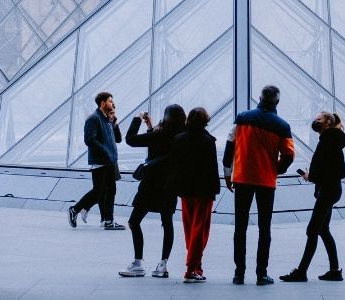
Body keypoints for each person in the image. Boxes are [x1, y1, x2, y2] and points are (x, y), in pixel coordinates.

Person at [223, 84, 296, 285]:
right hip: (266, 180)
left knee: (240, 227)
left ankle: (239, 273)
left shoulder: (242, 118)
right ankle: (261, 274)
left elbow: (229, 148)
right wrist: (277, 169)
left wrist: (227, 175)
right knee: (265, 229)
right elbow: (289, 154)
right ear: (277, 102)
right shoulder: (282, 126)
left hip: (242, 178)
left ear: (260, 98)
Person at [118, 104, 186, 279]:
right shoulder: (182, 136)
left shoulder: (159, 134)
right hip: (169, 186)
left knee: (134, 221)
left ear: (166, 117)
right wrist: (150, 128)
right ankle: (162, 265)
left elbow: (131, 139)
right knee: (167, 223)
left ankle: (138, 263)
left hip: (150, 185)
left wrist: (138, 119)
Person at [279, 111, 345, 283]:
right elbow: (334, 169)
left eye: (318, 119)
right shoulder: (334, 139)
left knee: (312, 230)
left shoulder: (327, 141)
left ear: (327, 123)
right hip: (333, 189)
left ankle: (301, 272)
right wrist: (315, 176)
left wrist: (312, 176)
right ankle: (334, 271)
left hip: (328, 191)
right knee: (323, 230)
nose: (315, 121)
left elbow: (325, 168)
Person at [164, 106, 220, 283]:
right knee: (200, 230)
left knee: (189, 228)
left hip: (185, 190)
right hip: (203, 190)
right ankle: (191, 268)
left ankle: (196, 266)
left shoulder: (178, 139)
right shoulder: (208, 141)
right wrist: (215, 188)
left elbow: (174, 165)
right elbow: (212, 168)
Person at [68, 92, 126, 231]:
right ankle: (76, 210)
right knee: (99, 191)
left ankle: (107, 220)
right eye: (110, 101)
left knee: (109, 190)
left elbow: (118, 139)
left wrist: (114, 123)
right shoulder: (94, 119)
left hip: (110, 161)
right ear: (102, 103)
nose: (113, 104)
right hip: (101, 161)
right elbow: (89, 140)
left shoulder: (107, 120)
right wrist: (106, 152)